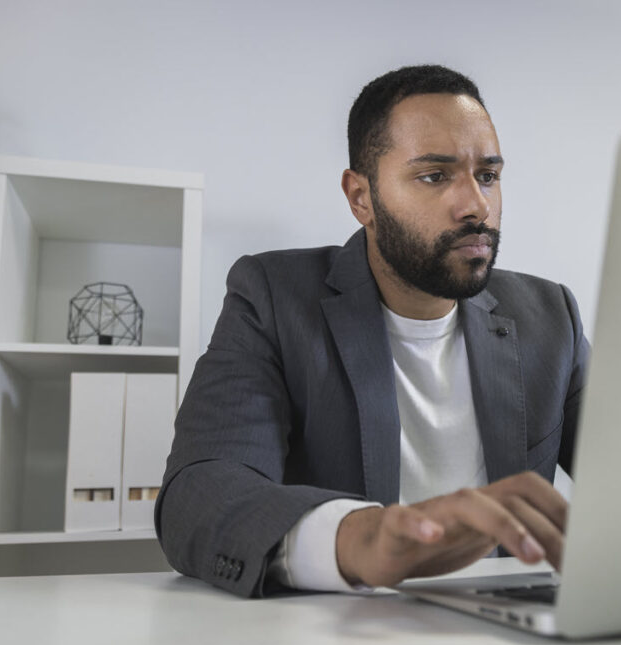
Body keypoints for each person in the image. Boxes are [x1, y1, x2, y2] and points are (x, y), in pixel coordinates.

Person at [156, 65, 588, 597]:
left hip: (507, 634)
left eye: (488, 176)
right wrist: (356, 538)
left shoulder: (548, 315)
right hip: (342, 640)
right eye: (435, 175)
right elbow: (198, 493)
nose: (476, 205)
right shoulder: (272, 296)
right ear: (361, 197)